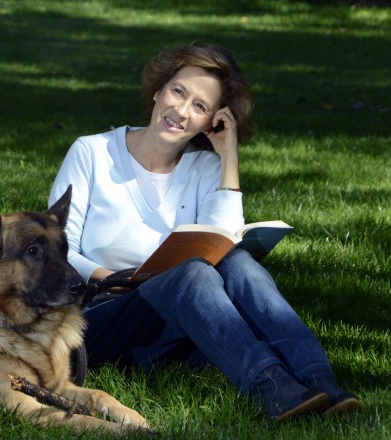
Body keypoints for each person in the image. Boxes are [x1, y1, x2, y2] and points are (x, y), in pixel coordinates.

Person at [48, 42, 360, 421]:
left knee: (239, 262)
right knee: (192, 274)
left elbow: (224, 241)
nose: (181, 111)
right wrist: (110, 278)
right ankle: (270, 385)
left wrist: (229, 155)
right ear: (158, 90)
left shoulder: (204, 168)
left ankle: (320, 380)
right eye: (178, 92)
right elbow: (55, 250)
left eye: (199, 106)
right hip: (96, 316)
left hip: (178, 321)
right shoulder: (91, 153)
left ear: (211, 121)